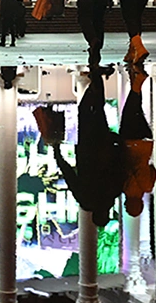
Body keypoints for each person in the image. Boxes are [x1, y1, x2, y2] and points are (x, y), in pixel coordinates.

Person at [53, 68, 125, 227]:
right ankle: (95, 77)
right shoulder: (85, 198)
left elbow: (120, 166)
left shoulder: (113, 192)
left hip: (104, 146)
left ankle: (96, 78)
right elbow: (70, 176)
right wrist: (57, 154)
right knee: (85, 112)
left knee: (98, 111)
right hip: (86, 148)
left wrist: (117, 144)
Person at [120, 64, 156, 217]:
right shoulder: (122, 185)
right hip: (128, 142)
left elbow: (153, 170)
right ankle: (137, 81)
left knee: (137, 108)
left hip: (145, 143)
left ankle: (135, 80)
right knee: (130, 109)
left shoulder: (147, 187)